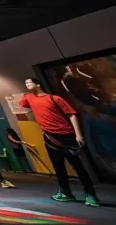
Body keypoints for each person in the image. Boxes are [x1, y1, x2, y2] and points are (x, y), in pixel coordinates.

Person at [18, 78, 100, 207]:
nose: (27, 85)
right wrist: (27, 92)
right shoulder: (29, 97)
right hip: (49, 137)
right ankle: (66, 193)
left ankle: (91, 195)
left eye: (29, 82)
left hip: (66, 135)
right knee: (58, 167)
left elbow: (71, 114)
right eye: (25, 83)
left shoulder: (54, 99)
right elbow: (22, 103)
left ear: (38, 84)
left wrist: (78, 134)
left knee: (78, 167)